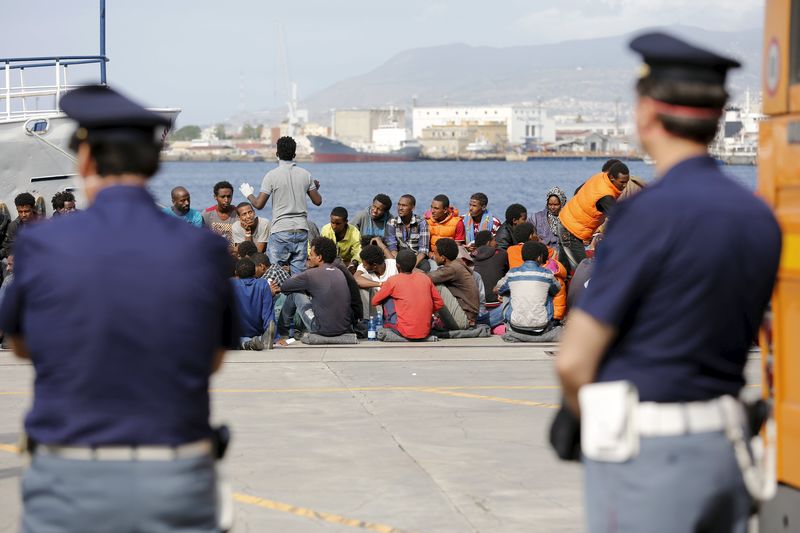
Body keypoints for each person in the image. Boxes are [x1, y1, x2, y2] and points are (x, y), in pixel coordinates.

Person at [555, 33, 782, 533]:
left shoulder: (645, 215)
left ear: (647, 114)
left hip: (650, 456)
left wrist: (585, 423)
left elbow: (573, 361)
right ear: (718, 115)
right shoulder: (759, 217)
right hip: (728, 447)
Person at [0, 85, 237, 531]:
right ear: (153, 163)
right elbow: (214, 358)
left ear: (85, 160)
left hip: (68, 480)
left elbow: (20, 345)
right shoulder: (202, 248)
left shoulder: (41, 244)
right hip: (175, 475)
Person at [239, 136, 323, 275]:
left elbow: (258, 204)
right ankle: (298, 296)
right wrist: (314, 187)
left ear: (277, 154)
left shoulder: (271, 176)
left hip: (280, 231)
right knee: (298, 275)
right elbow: (318, 201)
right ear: (294, 154)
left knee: (275, 273)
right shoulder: (306, 175)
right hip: (301, 230)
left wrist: (248, 194)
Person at [274, 236, 352, 342]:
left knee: (295, 294)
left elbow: (284, 287)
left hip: (321, 329)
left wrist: (296, 276)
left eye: (311, 255)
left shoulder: (311, 274)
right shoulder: (339, 272)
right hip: (344, 328)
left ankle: (283, 333)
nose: (308, 258)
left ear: (319, 258)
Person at [557, 161, 630, 271]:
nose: (625, 185)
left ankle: (560, 287)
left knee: (563, 269)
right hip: (571, 231)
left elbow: (578, 191)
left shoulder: (599, 177)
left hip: (565, 221)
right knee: (585, 271)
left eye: (627, 182)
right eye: (622, 182)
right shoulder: (605, 196)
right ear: (611, 178)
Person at [373, 249, 444, 340]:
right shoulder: (424, 278)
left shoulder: (393, 280)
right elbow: (439, 303)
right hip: (425, 330)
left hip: (404, 331)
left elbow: (375, 301)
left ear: (397, 266)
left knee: (387, 298)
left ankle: (389, 325)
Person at [497, 241, 560, 335]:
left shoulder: (512, 273)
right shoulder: (547, 274)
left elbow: (499, 288)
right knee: (549, 290)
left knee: (507, 291)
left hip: (515, 326)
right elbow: (557, 289)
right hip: (542, 326)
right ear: (539, 257)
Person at [426, 238, 479, 330]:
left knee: (435, 286)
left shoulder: (452, 269)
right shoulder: (455, 264)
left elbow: (426, 278)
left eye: (435, 254)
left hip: (464, 320)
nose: (434, 256)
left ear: (443, 257)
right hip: (466, 317)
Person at [232, 258, 276, 350]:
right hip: (256, 331)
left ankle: (247, 343)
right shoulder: (263, 284)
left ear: (236, 272)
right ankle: (261, 339)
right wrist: (276, 336)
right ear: (254, 272)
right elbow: (268, 314)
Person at [384, 194, 431, 271]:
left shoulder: (421, 223)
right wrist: (401, 264)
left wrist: (411, 267)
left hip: (417, 258)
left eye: (404, 205)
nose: (400, 208)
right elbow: (392, 248)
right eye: (399, 205)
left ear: (413, 207)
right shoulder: (392, 223)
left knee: (426, 267)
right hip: (399, 259)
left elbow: (423, 250)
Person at [472, 230, 509, 326]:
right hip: (497, 304)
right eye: (494, 240)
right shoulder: (502, 254)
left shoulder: (470, 257)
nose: (496, 243)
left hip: (477, 308)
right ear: (488, 242)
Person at [354, 244, 398, 317]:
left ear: (374, 266)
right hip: (374, 308)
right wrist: (380, 284)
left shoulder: (393, 265)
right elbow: (356, 279)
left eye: (365, 265)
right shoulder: (363, 267)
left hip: (392, 305)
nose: (363, 266)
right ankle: (366, 321)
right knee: (363, 279)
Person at [2, 193, 39, 261]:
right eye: (20, 212)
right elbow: (9, 247)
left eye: (27, 211)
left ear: (33, 209)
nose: (23, 215)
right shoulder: (13, 226)